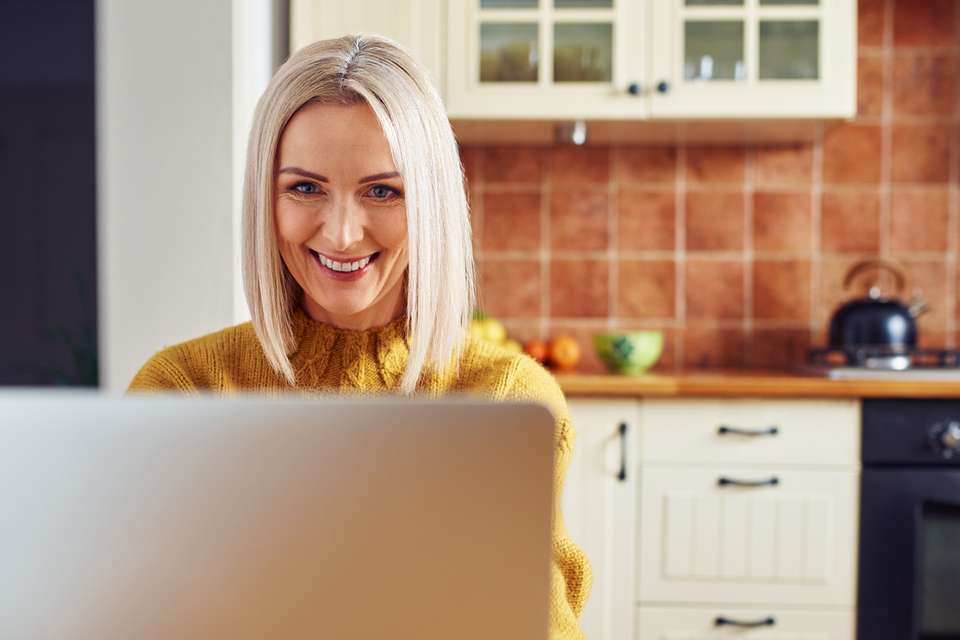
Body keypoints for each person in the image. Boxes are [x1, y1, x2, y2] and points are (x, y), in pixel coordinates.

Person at [127, 34, 592, 639]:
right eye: (305, 188)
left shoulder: (506, 401)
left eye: (382, 191)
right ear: (265, 201)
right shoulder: (183, 392)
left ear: (428, 202)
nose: (343, 234)